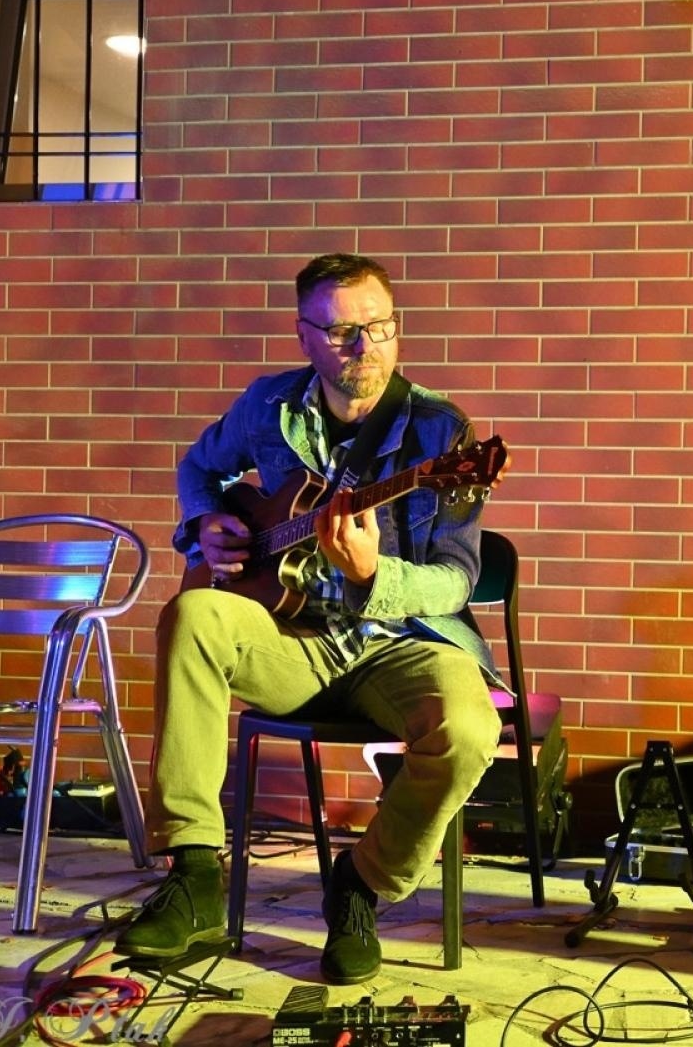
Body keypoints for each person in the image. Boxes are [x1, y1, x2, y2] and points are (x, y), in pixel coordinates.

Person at [117, 253, 504, 985]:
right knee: (194, 612)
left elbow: (456, 578)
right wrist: (205, 522)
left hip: (402, 643)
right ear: (304, 336)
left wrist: (372, 574)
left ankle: (360, 884)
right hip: (289, 637)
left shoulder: (443, 432)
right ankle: (194, 875)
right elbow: (199, 468)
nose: (366, 346)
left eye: (380, 326)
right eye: (342, 331)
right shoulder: (268, 405)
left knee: (468, 726)